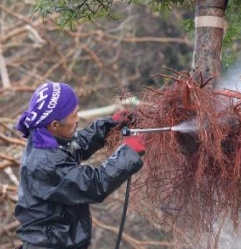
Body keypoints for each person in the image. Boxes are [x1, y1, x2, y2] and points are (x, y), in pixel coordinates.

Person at [14, 82, 145, 249]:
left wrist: (108, 126)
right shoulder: (46, 165)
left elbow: (76, 144)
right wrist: (129, 153)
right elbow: (94, 185)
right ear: (54, 124)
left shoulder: (45, 138)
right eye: (73, 115)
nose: (78, 118)